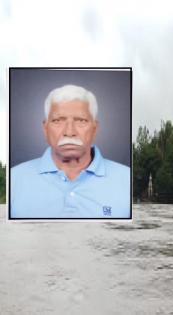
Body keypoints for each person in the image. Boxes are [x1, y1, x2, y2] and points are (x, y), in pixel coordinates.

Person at [11, 84, 131, 218]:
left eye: (81, 121)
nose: (69, 132)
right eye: (58, 121)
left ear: (95, 129)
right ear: (45, 129)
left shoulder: (127, 180)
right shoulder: (13, 180)